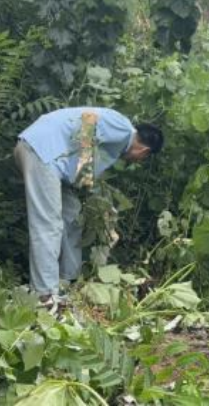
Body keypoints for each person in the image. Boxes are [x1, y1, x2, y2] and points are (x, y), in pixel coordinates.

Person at [15, 107, 164, 310]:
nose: (137, 161)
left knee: (72, 214)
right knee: (48, 224)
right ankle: (45, 295)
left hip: (47, 156)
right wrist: (85, 175)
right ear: (144, 152)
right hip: (41, 151)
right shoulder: (123, 128)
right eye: (143, 159)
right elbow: (88, 121)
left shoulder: (119, 140)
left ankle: (68, 281)